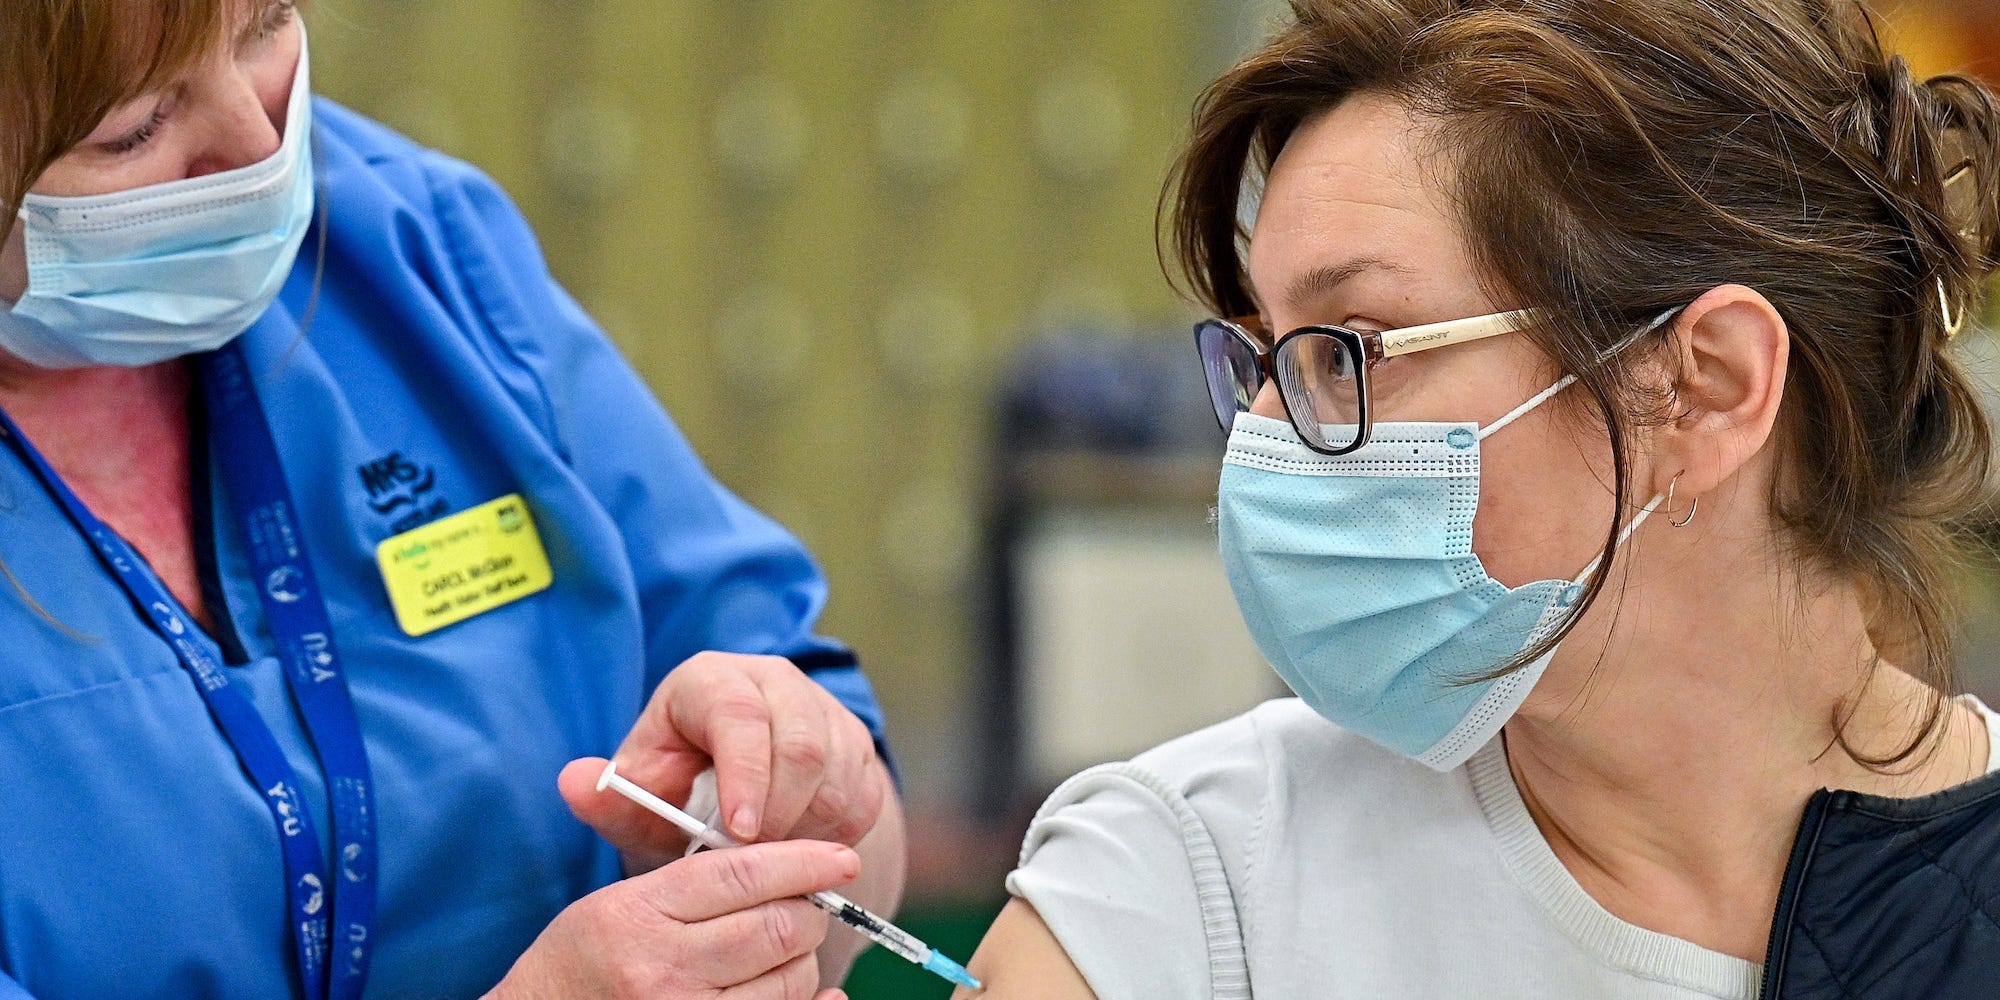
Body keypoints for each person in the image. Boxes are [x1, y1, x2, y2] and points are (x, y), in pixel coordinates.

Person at [961, 1, 2000, 997]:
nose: (1267, 436)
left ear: (1705, 385)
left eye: (1352, 350)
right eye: (1264, 359)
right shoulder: (1183, 889)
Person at [0, 3, 903, 999]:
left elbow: (832, 786)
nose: (259, 143)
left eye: (261, 25)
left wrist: (763, 813)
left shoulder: (405, 244)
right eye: (128, 124)